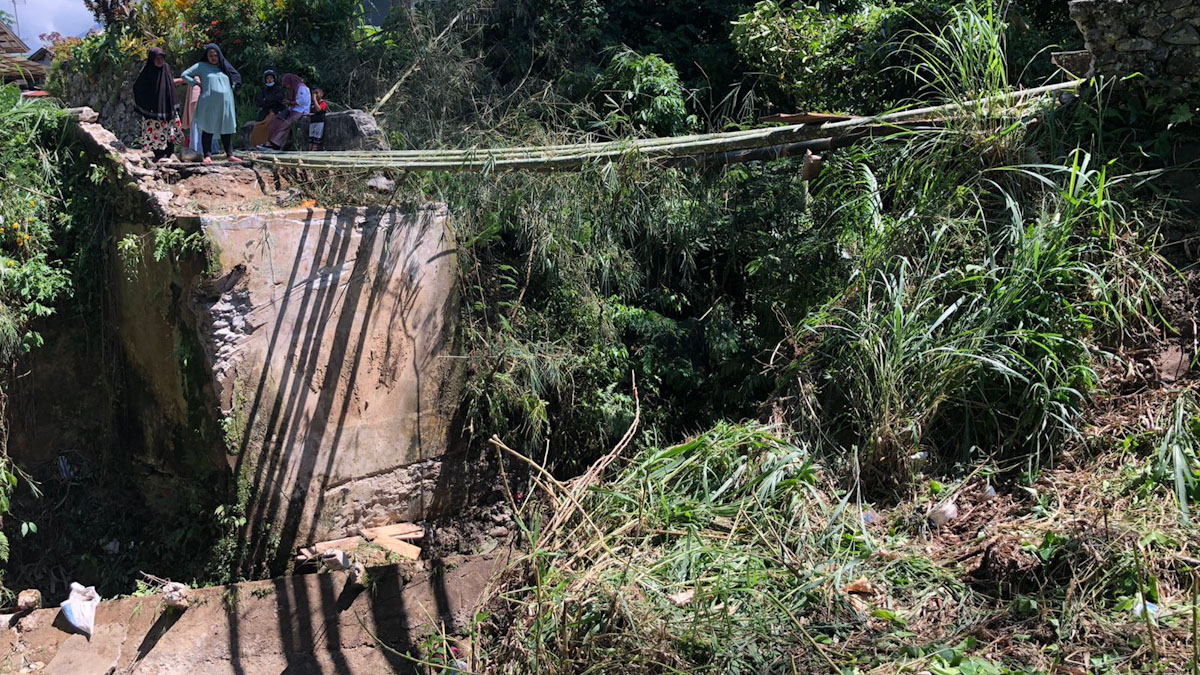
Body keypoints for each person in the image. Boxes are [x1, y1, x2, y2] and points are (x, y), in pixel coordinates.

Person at [180, 43, 242, 163]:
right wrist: (195, 83)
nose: (213, 58)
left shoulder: (223, 66)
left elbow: (236, 78)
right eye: (210, 55)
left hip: (226, 103)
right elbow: (184, 75)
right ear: (206, 56)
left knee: (226, 127)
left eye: (215, 55)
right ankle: (207, 156)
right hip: (208, 103)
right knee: (208, 127)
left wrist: (232, 88)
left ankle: (230, 155)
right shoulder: (201, 66)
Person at [132, 47, 182, 162]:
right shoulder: (147, 72)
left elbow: (169, 84)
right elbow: (137, 87)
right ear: (152, 59)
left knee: (169, 130)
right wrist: (146, 102)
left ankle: (170, 153)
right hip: (153, 109)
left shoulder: (166, 68)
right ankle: (159, 155)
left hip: (168, 107)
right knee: (155, 131)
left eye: (161, 58)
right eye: (157, 58)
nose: (160, 61)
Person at [260, 73, 310, 151]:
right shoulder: (294, 88)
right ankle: (269, 140)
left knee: (286, 124)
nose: (287, 87)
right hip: (292, 109)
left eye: (287, 84)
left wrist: (290, 102)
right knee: (277, 120)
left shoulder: (302, 88)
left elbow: (303, 101)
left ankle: (275, 143)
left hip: (301, 110)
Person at [250, 69, 286, 147]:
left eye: (271, 78)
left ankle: (267, 143)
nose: (269, 80)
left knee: (268, 125)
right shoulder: (264, 90)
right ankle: (257, 144)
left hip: (275, 112)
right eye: (267, 78)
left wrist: (266, 100)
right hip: (265, 113)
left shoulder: (279, 89)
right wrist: (267, 101)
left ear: (274, 79)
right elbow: (259, 102)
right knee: (257, 126)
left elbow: (277, 100)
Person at [308, 87, 327, 151]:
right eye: (313, 93)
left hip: (319, 122)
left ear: (321, 94)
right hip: (313, 121)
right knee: (311, 138)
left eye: (316, 93)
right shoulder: (312, 104)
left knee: (317, 137)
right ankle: (309, 149)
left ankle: (314, 149)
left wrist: (315, 100)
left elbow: (319, 109)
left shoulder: (323, 103)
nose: (314, 95)